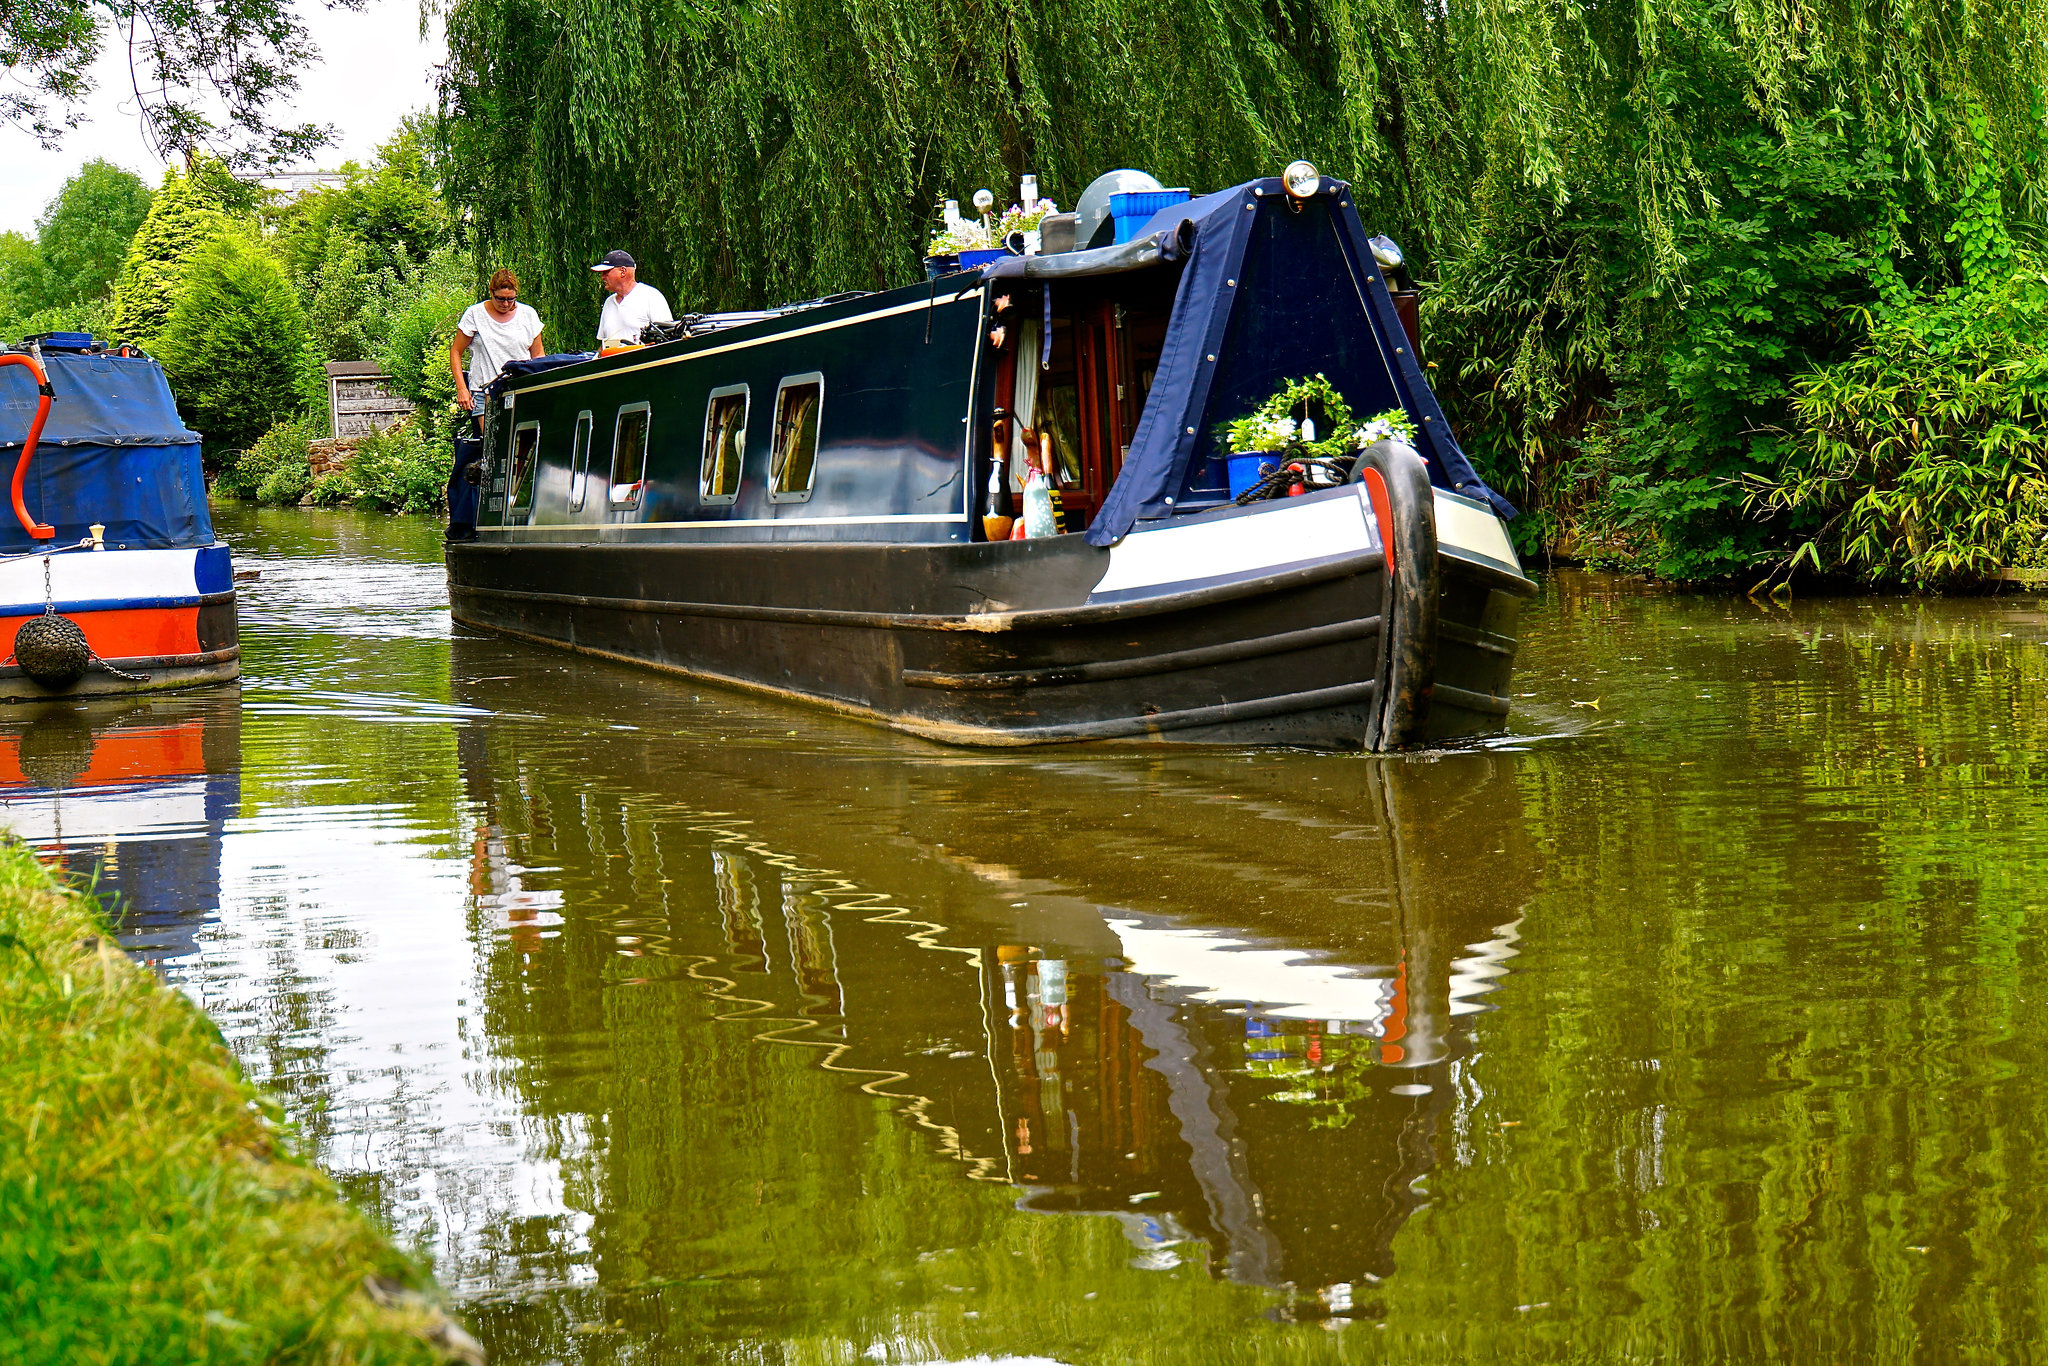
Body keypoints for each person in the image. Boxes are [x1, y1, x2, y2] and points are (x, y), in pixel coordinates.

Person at [450, 269, 545, 414]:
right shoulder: (475, 314)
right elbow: (456, 351)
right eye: (500, 299)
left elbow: (538, 356)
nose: (506, 304)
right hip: (485, 391)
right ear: (491, 293)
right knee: (492, 436)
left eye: (511, 299)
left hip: (521, 388)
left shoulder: (528, 314)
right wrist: (462, 388)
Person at [592, 250, 674, 347]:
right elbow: (603, 345)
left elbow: (666, 339)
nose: (602, 277)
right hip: (613, 361)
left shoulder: (651, 296)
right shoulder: (608, 303)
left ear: (623, 271)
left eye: (606, 272)